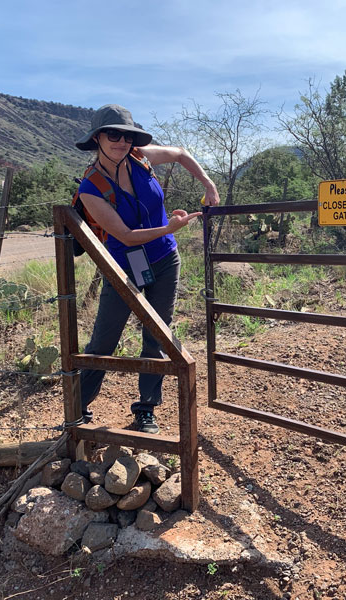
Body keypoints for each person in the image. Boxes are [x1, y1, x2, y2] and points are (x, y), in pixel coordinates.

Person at [74, 104, 220, 434]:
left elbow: (181, 154)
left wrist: (208, 184)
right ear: (97, 138)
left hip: (165, 260)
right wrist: (170, 228)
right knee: (103, 341)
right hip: (123, 267)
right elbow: (123, 235)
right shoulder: (90, 188)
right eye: (113, 134)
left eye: (127, 134)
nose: (121, 141)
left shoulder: (141, 157)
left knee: (157, 335)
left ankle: (146, 409)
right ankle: (77, 406)